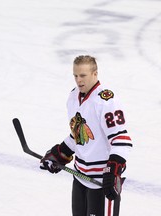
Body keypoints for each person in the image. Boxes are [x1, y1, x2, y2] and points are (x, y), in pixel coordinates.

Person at [40, 55, 133, 216]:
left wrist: (113, 171)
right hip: (80, 176)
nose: (78, 80)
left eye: (83, 75)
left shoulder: (106, 101)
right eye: (75, 75)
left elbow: (121, 140)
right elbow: (77, 136)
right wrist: (61, 153)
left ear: (95, 74)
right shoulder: (73, 97)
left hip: (101, 182)